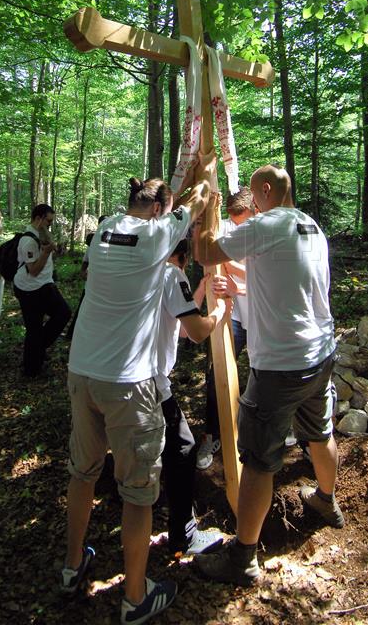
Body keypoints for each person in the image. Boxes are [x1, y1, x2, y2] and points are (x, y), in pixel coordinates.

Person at [62, 173, 209, 625]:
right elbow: (198, 204)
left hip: (83, 372)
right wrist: (200, 186)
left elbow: (170, 213)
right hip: (128, 383)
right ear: (162, 210)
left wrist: (173, 197)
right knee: (138, 493)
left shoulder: (105, 228)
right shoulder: (158, 234)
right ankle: (135, 596)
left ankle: (72, 568)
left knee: (83, 472)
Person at [193, 163, 342, 587]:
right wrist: (239, 290)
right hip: (320, 354)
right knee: (319, 432)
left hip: (282, 364)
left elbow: (205, 253)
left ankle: (242, 558)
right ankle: (327, 501)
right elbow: (281, 282)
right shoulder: (309, 225)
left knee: (258, 461)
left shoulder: (267, 223)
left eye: (254, 196)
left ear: (263, 190)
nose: (252, 204)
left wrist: (205, 210)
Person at [158, 238, 230, 556]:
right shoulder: (173, 274)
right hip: (149, 382)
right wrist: (221, 310)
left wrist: (199, 289)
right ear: (184, 258)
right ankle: (183, 535)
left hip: (112, 378)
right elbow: (198, 332)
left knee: (163, 448)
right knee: (183, 447)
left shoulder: (146, 269)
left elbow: (183, 327)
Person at [196, 187, 255, 470]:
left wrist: (229, 271)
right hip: (232, 316)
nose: (238, 224)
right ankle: (212, 434)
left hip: (259, 317)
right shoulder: (227, 227)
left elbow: (264, 274)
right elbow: (203, 256)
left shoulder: (264, 229)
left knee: (267, 375)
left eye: (241, 219)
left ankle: (273, 431)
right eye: (233, 219)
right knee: (215, 373)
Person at [13, 203, 71, 377]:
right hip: (29, 289)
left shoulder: (43, 233)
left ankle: (37, 351)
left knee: (62, 314)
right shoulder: (28, 240)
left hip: (44, 285)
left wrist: (53, 250)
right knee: (35, 328)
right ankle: (31, 369)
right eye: (49, 221)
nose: (50, 224)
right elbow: (34, 270)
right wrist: (46, 252)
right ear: (38, 218)